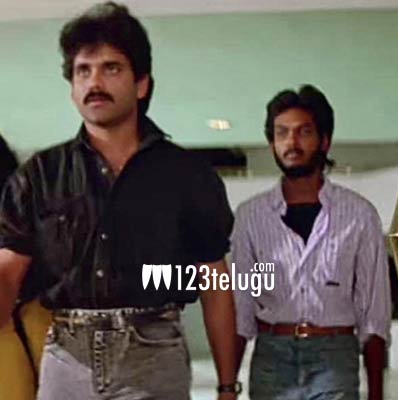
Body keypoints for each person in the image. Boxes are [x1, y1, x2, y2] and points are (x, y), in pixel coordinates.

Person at [0, 3, 239, 399]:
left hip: (153, 354)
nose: (94, 82)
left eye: (110, 68)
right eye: (83, 71)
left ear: (141, 84)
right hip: (66, 357)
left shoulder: (187, 174)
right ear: (73, 88)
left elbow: (215, 285)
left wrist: (228, 386)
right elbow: (8, 274)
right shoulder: (39, 175)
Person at [232, 85, 391, 400]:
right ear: (272, 143)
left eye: (303, 132)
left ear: (324, 140)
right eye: (282, 133)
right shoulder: (251, 216)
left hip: (334, 357)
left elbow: (374, 314)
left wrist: (376, 394)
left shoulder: (359, 215)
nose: (291, 143)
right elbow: (241, 309)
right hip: (271, 358)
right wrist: (227, 386)